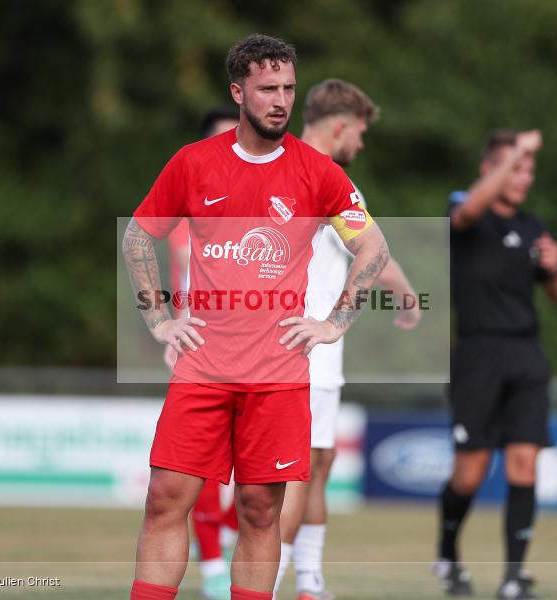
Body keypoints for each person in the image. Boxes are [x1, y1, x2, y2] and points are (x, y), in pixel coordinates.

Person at [123, 34, 390, 600]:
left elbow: (373, 249)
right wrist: (160, 320)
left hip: (278, 376)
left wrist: (334, 322)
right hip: (202, 368)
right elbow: (138, 238)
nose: (281, 100)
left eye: (289, 88)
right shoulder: (194, 164)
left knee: (260, 511)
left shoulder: (318, 173)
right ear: (238, 91)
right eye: (268, 88)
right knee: (165, 497)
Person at [272, 79, 421, 600]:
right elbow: (373, 253)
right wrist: (406, 293)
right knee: (295, 477)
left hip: (307, 357)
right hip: (304, 356)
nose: (361, 143)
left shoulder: (281, 167)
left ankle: (309, 581)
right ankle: (261, 585)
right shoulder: (323, 176)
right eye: (359, 132)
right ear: (339, 127)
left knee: (317, 467)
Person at [434, 129, 557, 599]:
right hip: (478, 355)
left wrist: (553, 269)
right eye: (515, 168)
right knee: (470, 473)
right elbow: (470, 209)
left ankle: (513, 576)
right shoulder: (466, 215)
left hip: (526, 355)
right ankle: (447, 552)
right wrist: (517, 151)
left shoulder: (534, 227)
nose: (524, 177)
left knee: (524, 465)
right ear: (490, 171)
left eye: (529, 170)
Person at [163, 105, 241, 600]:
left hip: (262, 353)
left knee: (252, 467)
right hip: (205, 350)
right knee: (201, 463)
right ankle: (212, 564)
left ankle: (224, 536)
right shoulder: (189, 213)